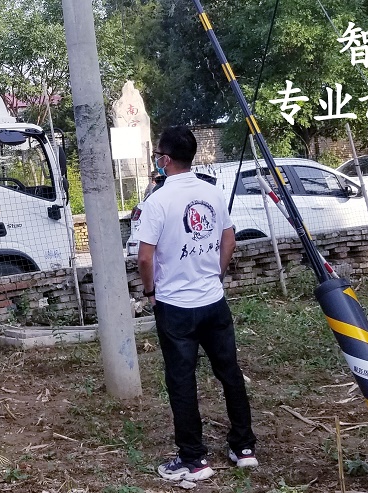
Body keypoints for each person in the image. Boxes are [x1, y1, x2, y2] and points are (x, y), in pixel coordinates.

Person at [131, 127, 258, 482]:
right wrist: (216, 274)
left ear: (165, 159)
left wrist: (150, 290)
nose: (156, 160)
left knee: (182, 380)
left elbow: (144, 257)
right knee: (229, 372)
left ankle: (194, 459)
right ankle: (244, 448)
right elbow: (229, 240)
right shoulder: (211, 192)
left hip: (175, 307)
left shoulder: (157, 202)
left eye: (158, 154)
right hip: (213, 301)